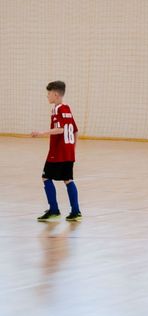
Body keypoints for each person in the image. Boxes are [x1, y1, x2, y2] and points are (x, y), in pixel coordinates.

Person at [31, 81, 82, 222]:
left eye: (49, 93)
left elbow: (60, 129)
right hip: (68, 152)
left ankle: (54, 210)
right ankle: (76, 212)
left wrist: (41, 133)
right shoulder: (67, 108)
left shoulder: (57, 109)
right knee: (68, 180)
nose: (47, 96)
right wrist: (72, 148)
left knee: (46, 177)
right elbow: (75, 131)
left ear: (56, 94)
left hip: (58, 152)